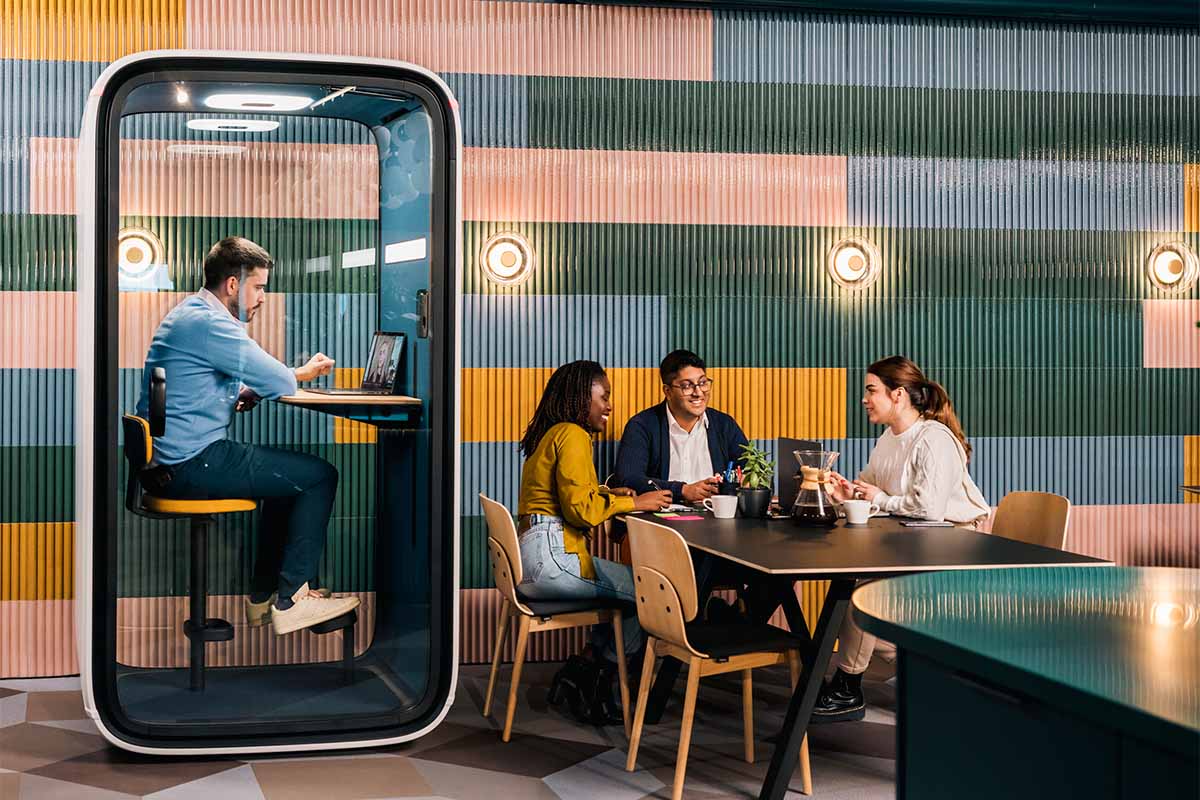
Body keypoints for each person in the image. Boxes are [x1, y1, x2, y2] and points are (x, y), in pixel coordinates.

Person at [135, 237, 360, 636]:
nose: (262, 298)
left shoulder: (190, 314)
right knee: (320, 475)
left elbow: (197, 384)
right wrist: (296, 374)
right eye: (259, 287)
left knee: (287, 483)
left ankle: (265, 596)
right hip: (191, 461)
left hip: (172, 459)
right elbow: (276, 379)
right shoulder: (211, 322)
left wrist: (245, 390)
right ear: (234, 285)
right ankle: (292, 601)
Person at [812, 355, 990, 722]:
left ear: (898, 395)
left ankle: (848, 685)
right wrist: (847, 493)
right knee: (859, 588)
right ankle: (903, 661)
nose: (864, 398)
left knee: (865, 588)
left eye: (871, 390)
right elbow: (871, 486)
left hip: (954, 544)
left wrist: (877, 498)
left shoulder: (934, 438)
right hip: (912, 539)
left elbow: (930, 510)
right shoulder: (889, 438)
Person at [516, 360, 671, 721]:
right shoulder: (572, 434)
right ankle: (603, 677)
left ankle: (586, 666)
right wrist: (636, 501)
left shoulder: (551, 433)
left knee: (625, 592)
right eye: (604, 396)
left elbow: (569, 496)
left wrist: (606, 493)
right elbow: (580, 512)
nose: (609, 406)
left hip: (537, 555)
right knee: (648, 593)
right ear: (580, 398)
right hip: (556, 558)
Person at [613, 349, 749, 503]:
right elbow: (628, 479)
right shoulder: (642, 425)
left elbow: (756, 472)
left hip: (717, 517)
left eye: (703, 383)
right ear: (668, 391)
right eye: (687, 386)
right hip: (661, 520)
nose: (698, 393)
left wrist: (748, 481)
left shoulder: (724, 425)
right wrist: (682, 490)